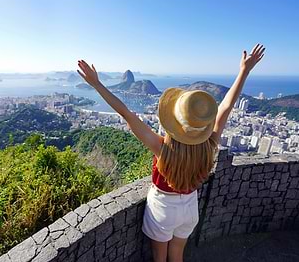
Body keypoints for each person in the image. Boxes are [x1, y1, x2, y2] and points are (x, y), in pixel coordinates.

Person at [77, 44, 265, 262]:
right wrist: (244, 71)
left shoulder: (163, 149)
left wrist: (97, 84)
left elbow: (126, 114)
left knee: (160, 257)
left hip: (163, 208)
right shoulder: (210, 143)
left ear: (174, 123)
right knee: (177, 256)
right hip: (189, 208)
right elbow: (226, 106)